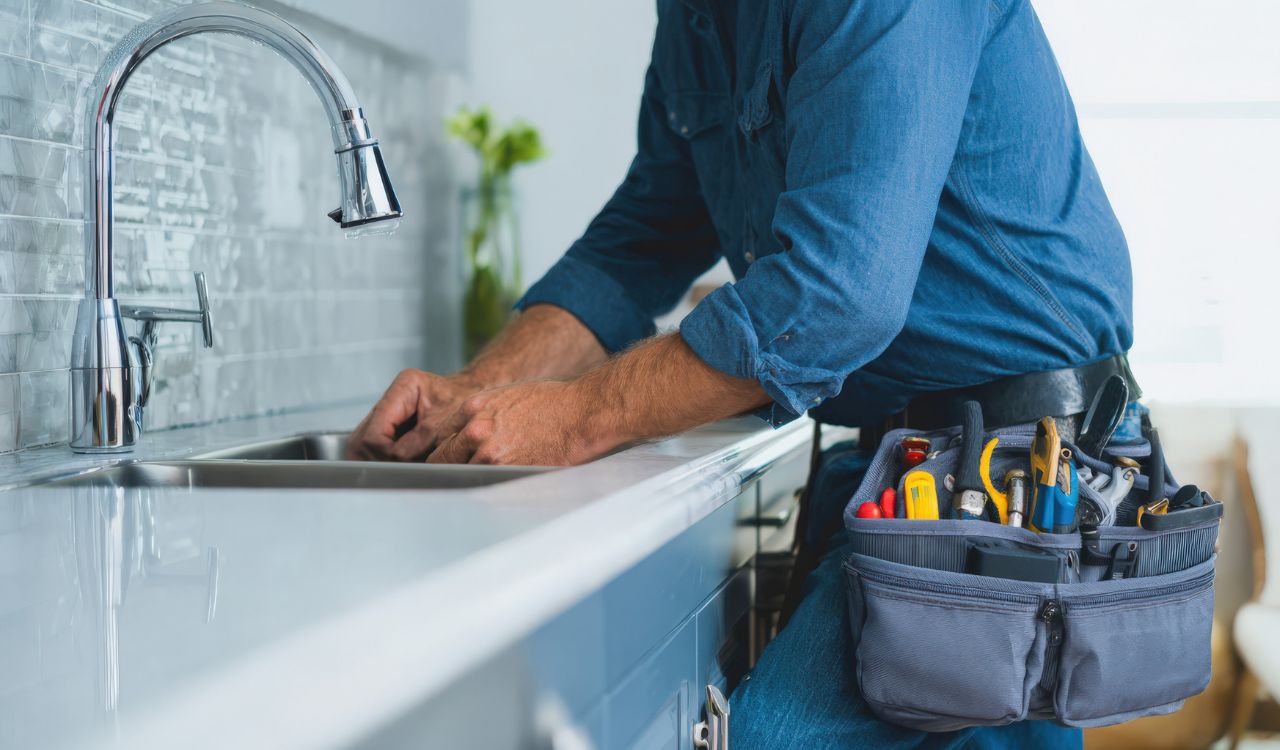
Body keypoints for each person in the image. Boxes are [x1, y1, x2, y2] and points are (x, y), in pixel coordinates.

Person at [347, 0, 1133, 746]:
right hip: (901, 461)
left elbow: (837, 295)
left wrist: (573, 416)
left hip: (1021, 472)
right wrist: (481, 392)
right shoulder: (697, 16)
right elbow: (643, 238)